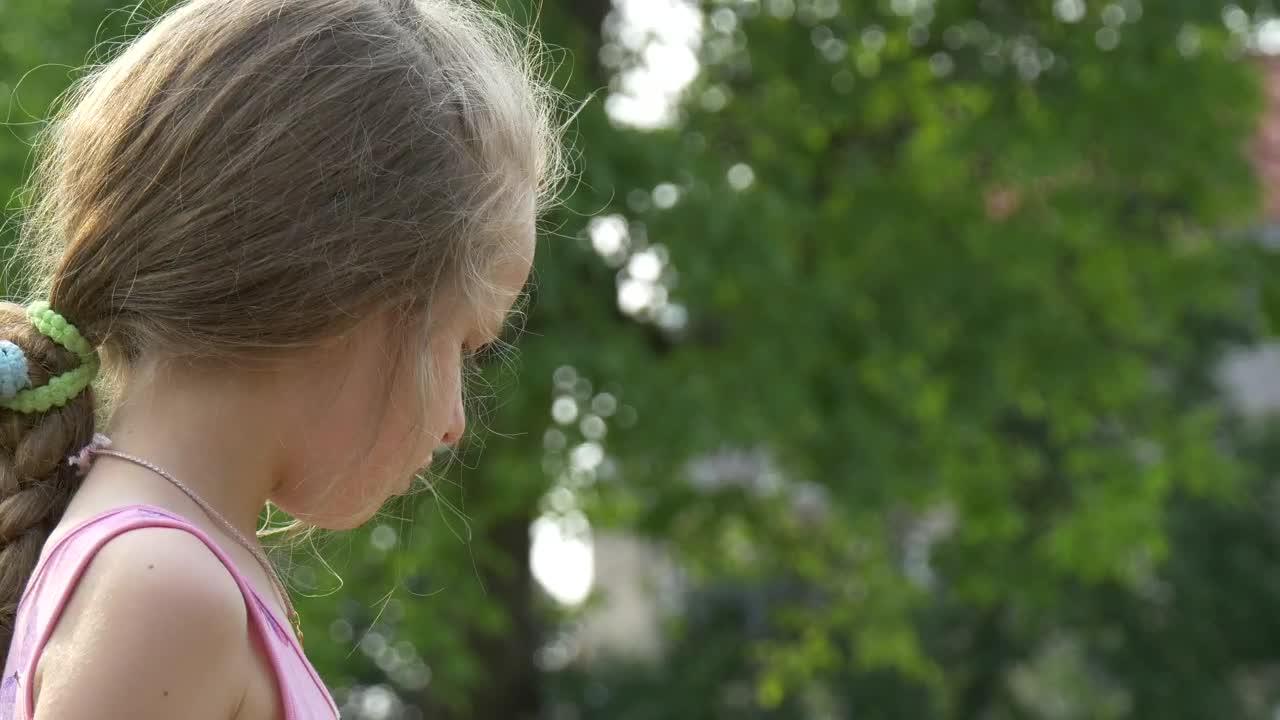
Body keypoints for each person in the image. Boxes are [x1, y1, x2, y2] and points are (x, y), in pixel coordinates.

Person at [0, 0, 562, 716]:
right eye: (462, 344)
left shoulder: (191, 570)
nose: (454, 422)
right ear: (344, 292)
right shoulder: (165, 590)